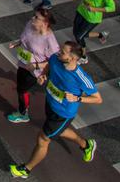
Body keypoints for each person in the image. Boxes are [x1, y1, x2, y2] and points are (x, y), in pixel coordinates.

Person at [8, 42, 101, 178]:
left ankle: (26, 169)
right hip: (50, 103)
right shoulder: (55, 59)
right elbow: (49, 65)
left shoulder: (81, 77)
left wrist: (77, 98)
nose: (59, 53)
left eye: (63, 52)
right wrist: (43, 76)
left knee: (43, 139)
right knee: (59, 132)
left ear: (72, 58)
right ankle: (87, 145)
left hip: (63, 114)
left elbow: (98, 99)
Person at [7, 8, 61, 123]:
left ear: (45, 23)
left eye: (37, 18)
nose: (33, 18)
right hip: (23, 62)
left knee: (22, 89)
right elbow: (25, 39)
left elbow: (54, 62)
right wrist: (18, 43)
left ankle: (23, 114)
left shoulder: (50, 41)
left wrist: (36, 66)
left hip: (34, 70)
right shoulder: (30, 25)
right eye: (34, 15)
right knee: (20, 87)